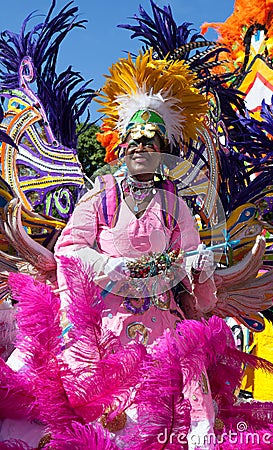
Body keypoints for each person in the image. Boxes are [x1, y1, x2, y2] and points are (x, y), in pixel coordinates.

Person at [54, 50, 219, 449]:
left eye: (151, 140)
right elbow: (68, 248)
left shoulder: (176, 204)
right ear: (122, 146)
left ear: (162, 148)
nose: (141, 146)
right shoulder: (101, 196)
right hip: (108, 327)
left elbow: (196, 279)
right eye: (134, 139)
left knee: (171, 417)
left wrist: (202, 266)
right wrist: (111, 265)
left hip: (163, 325)